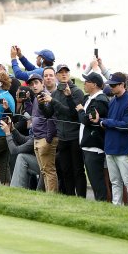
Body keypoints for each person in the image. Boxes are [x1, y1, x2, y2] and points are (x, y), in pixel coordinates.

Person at [41, 63, 86, 197]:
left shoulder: (77, 91)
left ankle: (82, 198)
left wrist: (54, 101)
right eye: (61, 72)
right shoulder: (55, 93)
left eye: (66, 71)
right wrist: (43, 104)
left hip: (75, 136)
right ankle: (70, 197)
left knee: (78, 170)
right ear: (57, 76)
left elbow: (72, 114)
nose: (64, 74)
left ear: (69, 74)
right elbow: (49, 114)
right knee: (66, 170)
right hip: (62, 137)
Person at [100, 71, 128, 207]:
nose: (111, 87)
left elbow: (126, 125)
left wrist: (107, 122)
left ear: (122, 85)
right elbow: (112, 121)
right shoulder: (112, 101)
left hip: (124, 149)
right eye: (110, 85)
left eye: (114, 85)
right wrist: (103, 121)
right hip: (110, 147)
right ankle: (116, 206)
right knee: (115, 181)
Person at [76, 72, 109, 202]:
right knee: (94, 180)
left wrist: (80, 110)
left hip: (94, 147)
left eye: (87, 81)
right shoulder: (89, 98)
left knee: (97, 181)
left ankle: (102, 206)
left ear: (94, 85)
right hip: (87, 146)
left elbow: (86, 119)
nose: (84, 83)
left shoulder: (100, 100)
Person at [28, 70, 59, 192]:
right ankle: (49, 195)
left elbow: (52, 119)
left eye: (36, 83)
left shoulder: (45, 97)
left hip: (45, 139)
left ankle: (52, 197)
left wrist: (48, 139)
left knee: (49, 170)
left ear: (42, 83)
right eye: (32, 84)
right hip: (38, 138)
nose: (34, 86)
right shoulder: (37, 97)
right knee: (44, 171)